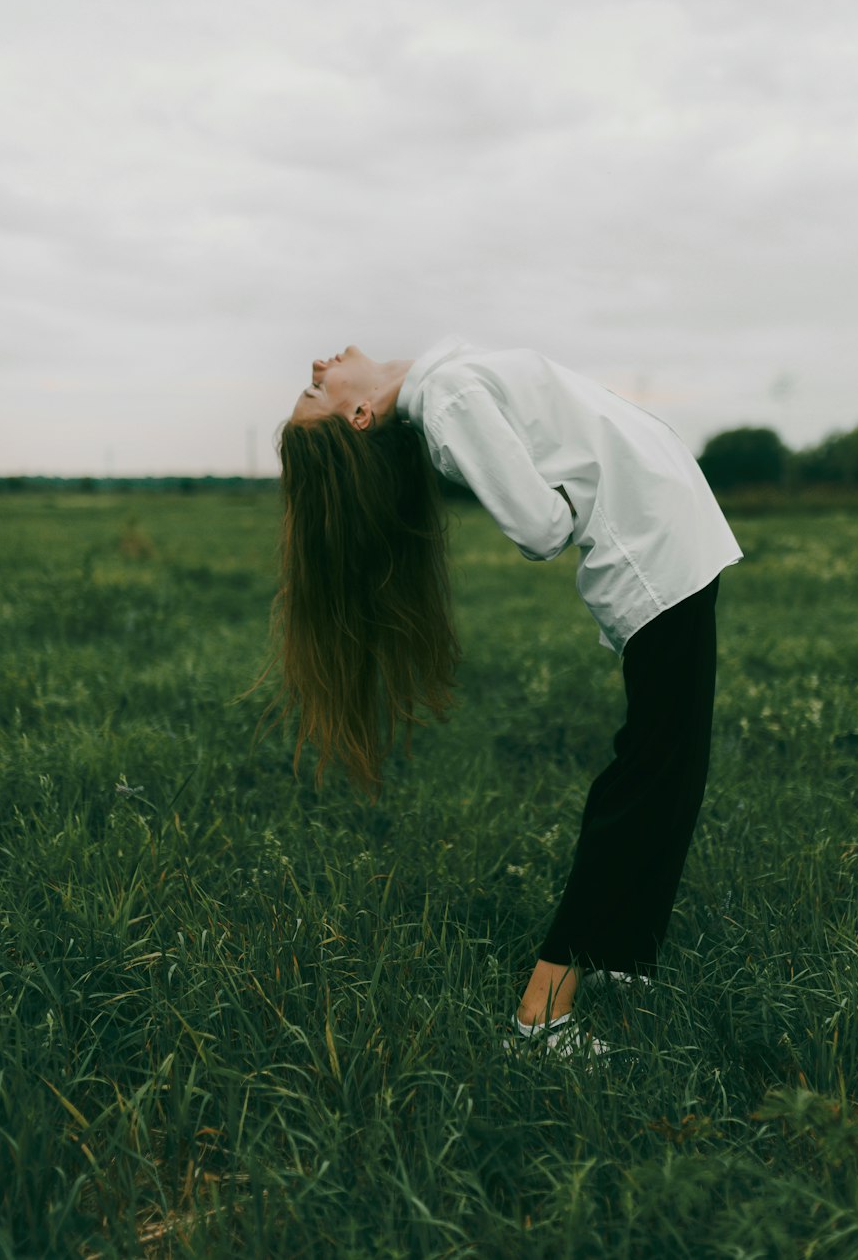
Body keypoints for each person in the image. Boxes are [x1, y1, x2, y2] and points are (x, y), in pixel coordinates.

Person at [272, 336, 742, 1056]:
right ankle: (541, 1014)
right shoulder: (450, 399)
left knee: (671, 769)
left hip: (667, 540)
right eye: (314, 394)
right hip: (652, 554)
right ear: (360, 415)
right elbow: (540, 526)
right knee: (651, 775)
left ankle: (622, 961)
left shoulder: (442, 381)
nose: (315, 369)